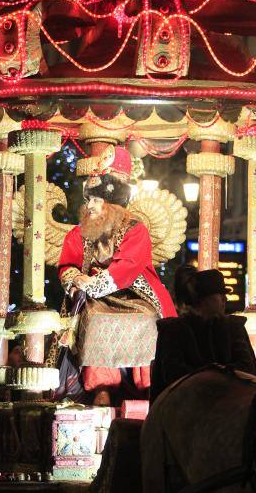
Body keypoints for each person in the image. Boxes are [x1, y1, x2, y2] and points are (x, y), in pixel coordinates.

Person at [57, 145, 176, 405]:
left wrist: (95, 283)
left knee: (147, 318)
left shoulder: (135, 229)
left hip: (134, 291)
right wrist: (76, 279)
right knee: (95, 317)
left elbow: (128, 266)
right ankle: (101, 389)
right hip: (93, 296)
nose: (90, 206)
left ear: (112, 203)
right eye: (90, 199)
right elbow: (66, 265)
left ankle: (147, 387)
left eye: (97, 200)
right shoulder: (79, 233)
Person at [150, 266, 256, 404]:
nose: (223, 300)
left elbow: (247, 367)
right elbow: (173, 373)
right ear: (202, 300)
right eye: (219, 295)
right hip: (186, 405)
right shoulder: (174, 330)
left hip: (231, 401)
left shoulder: (233, 327)